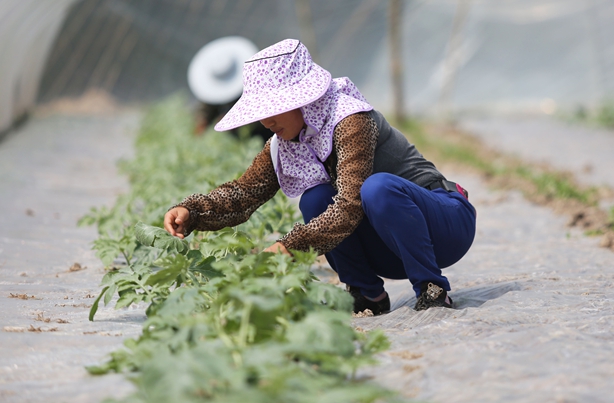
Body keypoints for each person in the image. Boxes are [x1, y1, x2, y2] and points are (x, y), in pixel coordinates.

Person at [164, 39, 476, 314]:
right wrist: (192, 211)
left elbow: (351, 205)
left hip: (444, 228)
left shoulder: (350, 119)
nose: (267, 120)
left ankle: (432, 290)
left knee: (377, 188)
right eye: (262, 110)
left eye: (275, 107)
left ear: (302, 99)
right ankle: (367, 294)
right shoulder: (285, 143)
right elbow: (245, 193)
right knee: (315, 198)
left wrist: (289, 246)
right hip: (392, 247)